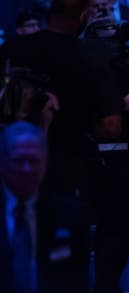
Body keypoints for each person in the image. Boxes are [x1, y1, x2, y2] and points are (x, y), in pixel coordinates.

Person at [0, 122, 89, 292]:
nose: (27, 169)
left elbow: (77, 281)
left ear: (45, 164)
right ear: (2, 163)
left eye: (33, 161)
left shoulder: (69, 216)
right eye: (19, 160)